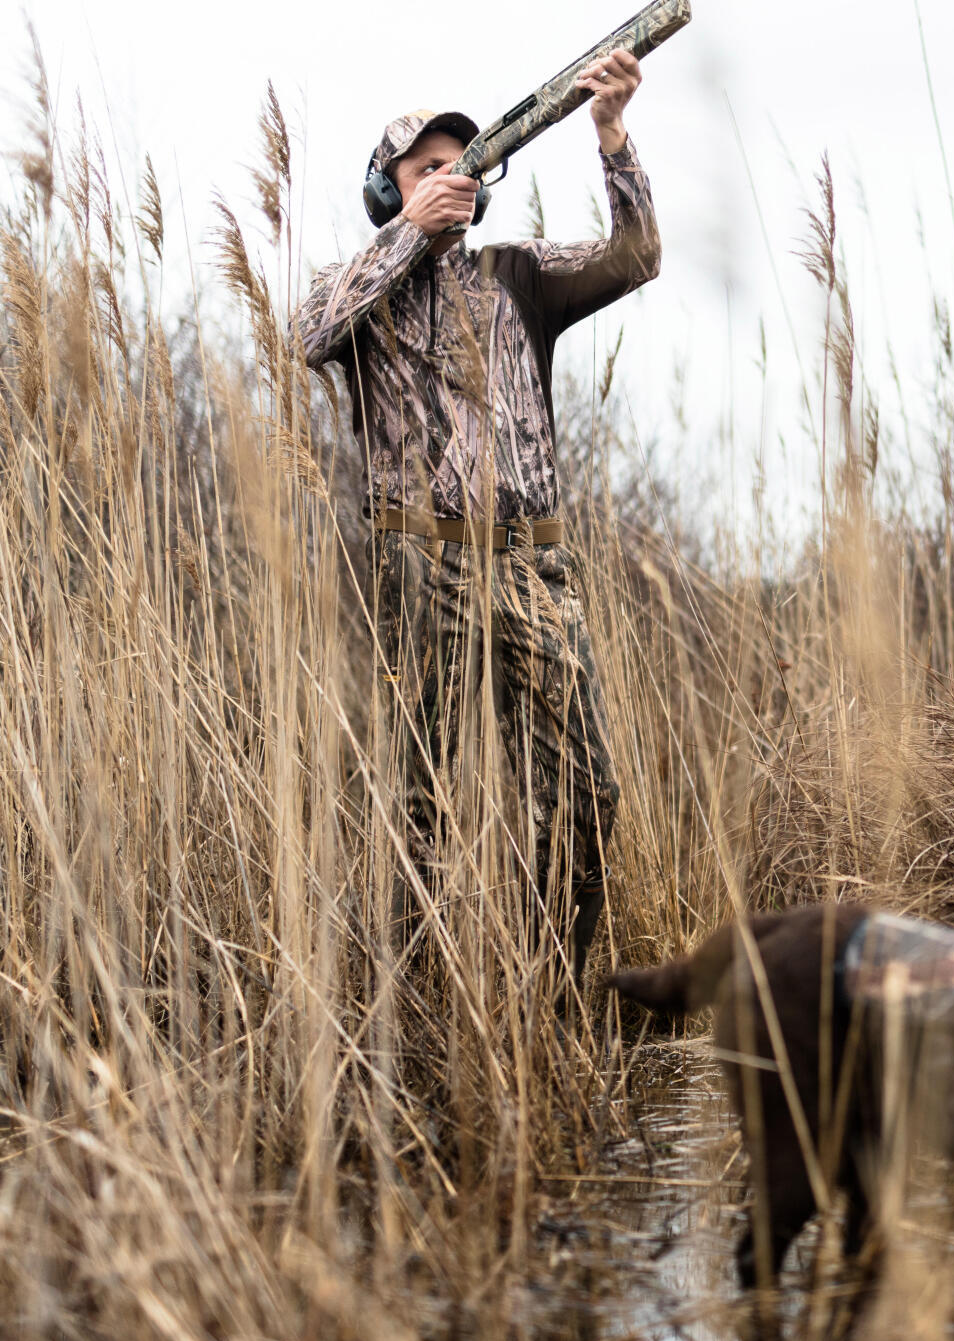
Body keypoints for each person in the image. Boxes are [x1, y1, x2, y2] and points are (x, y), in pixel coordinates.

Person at [293, 49, 658, 998]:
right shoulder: (366, 289)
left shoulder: (518, 272)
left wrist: (611, 134)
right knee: (413, 803)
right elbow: (307, 334)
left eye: (462, 165)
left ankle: (550, 996)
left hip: (534, 572)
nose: (449, 179)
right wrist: (407, 237)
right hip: (419, 570)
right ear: (391, 191)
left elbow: (637, 256)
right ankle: (409, 1012)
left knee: (586, 794)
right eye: (426, 169)